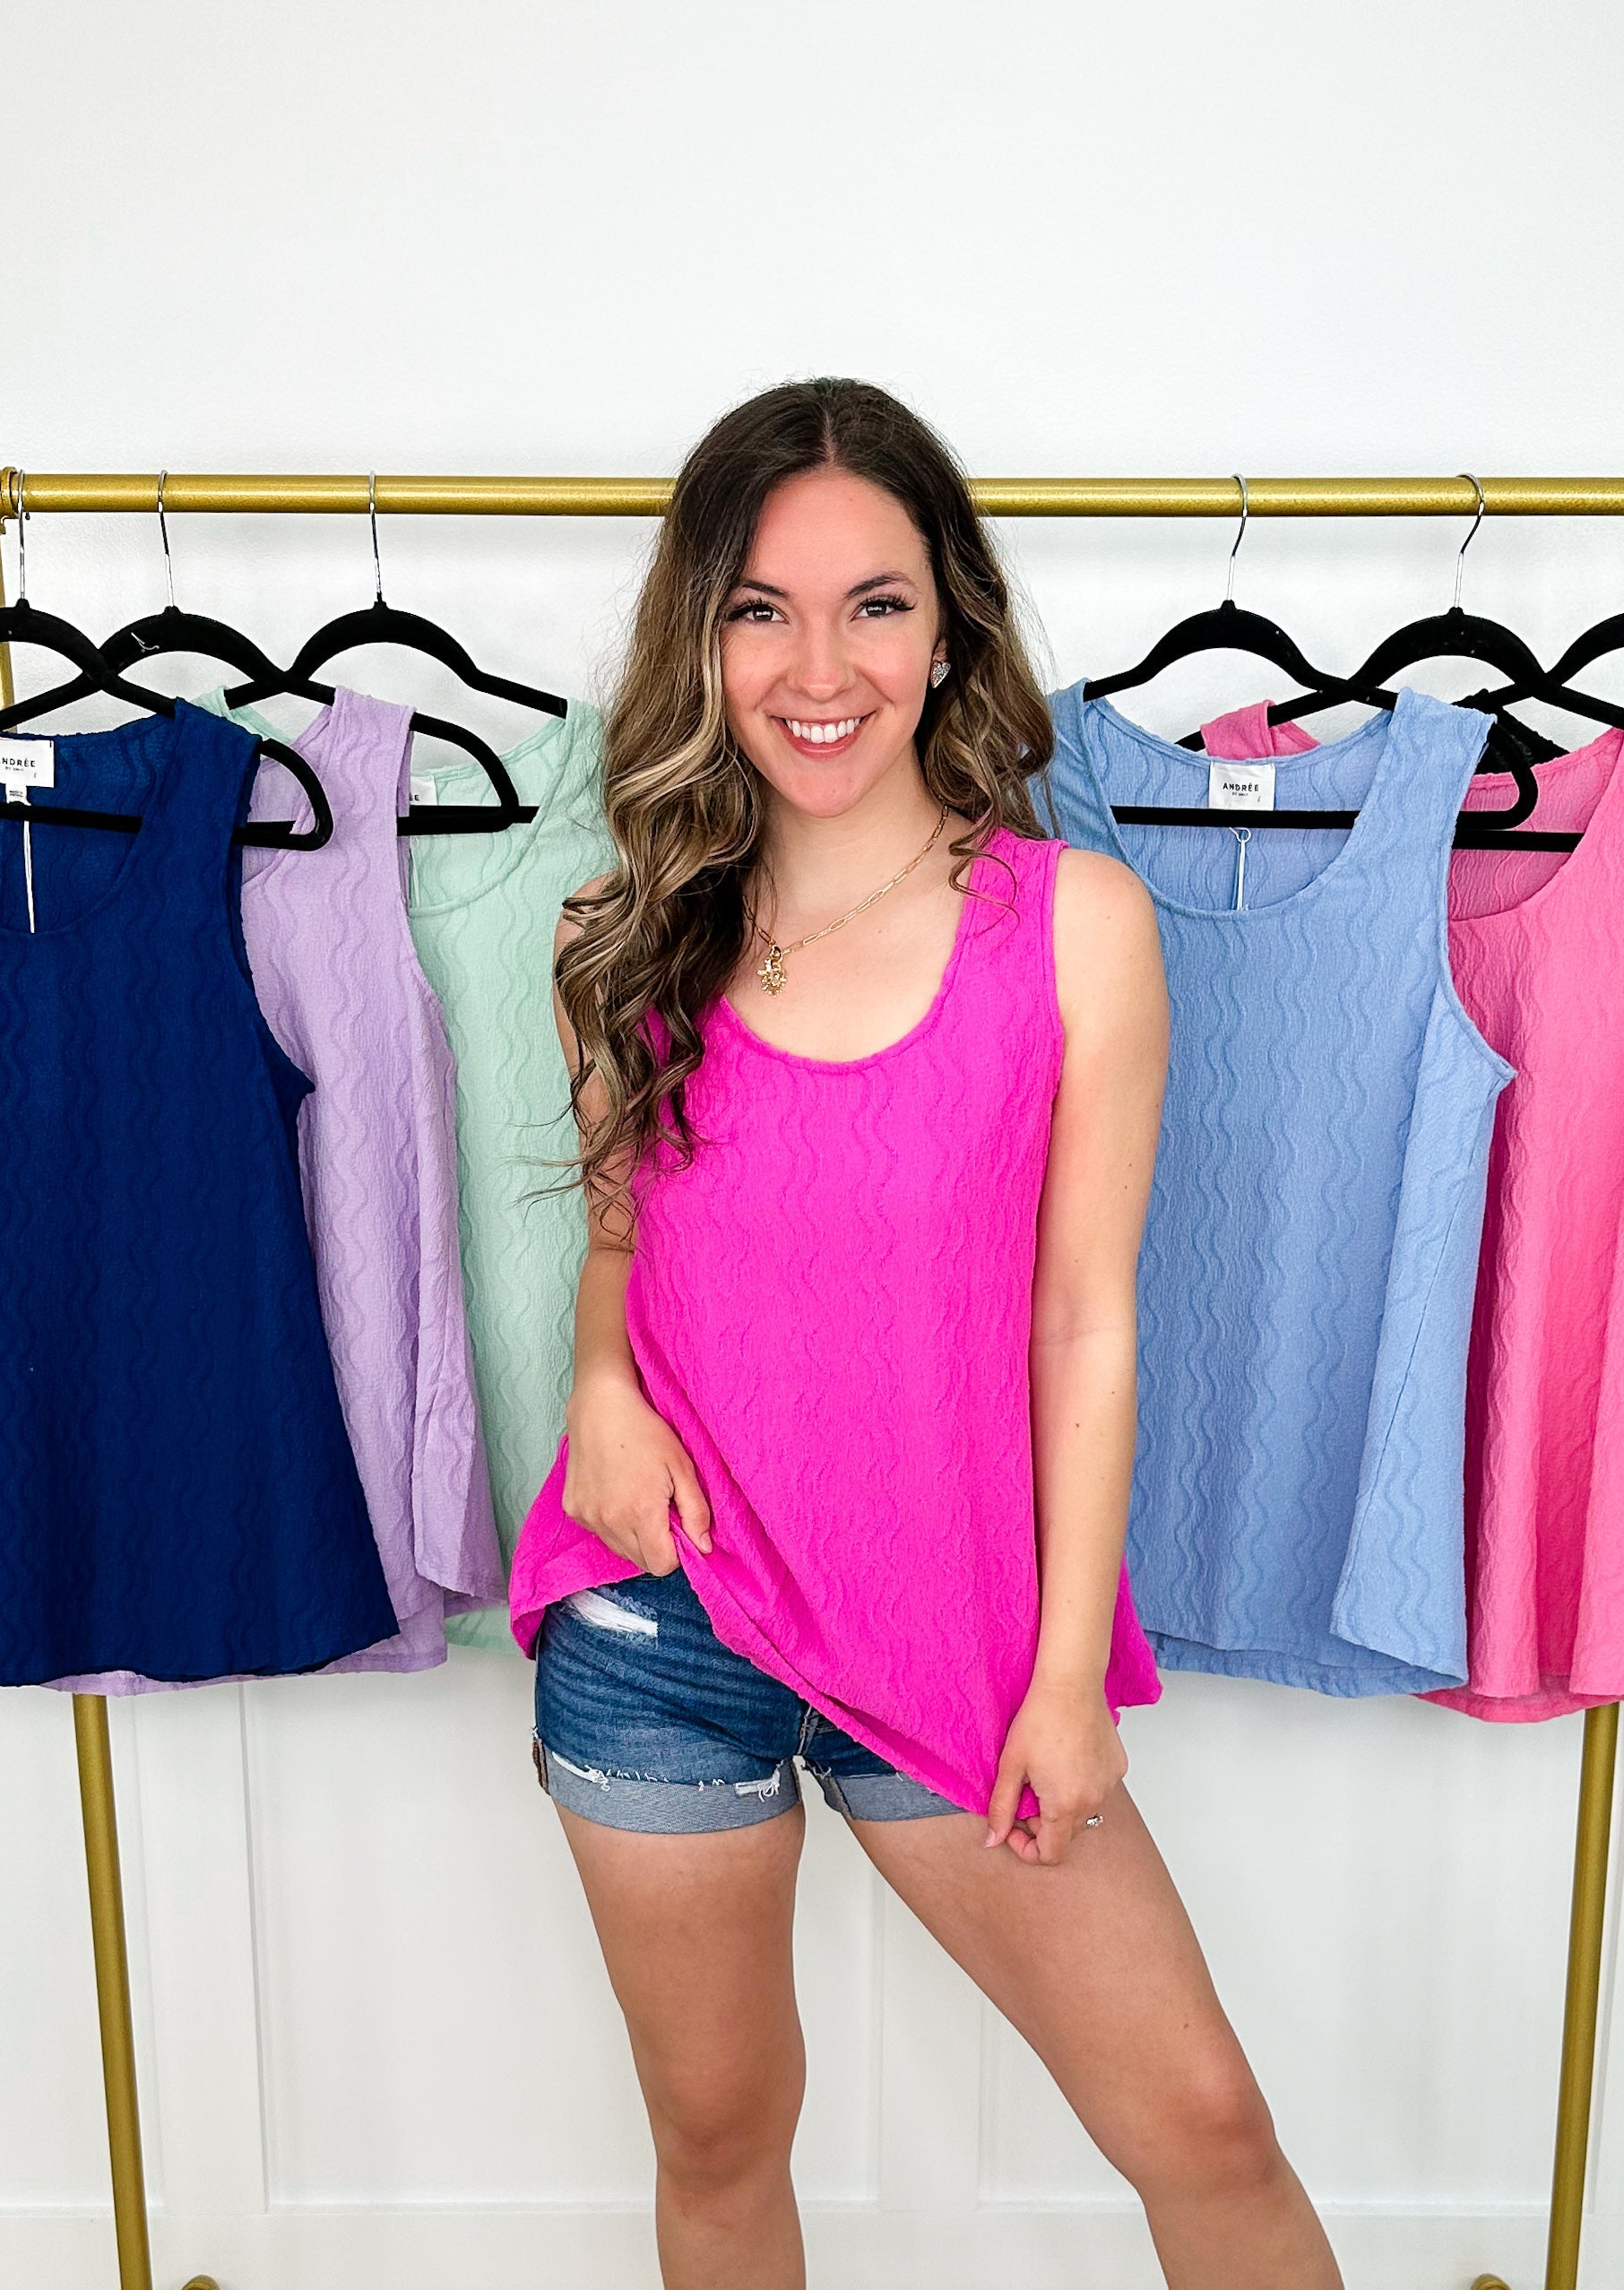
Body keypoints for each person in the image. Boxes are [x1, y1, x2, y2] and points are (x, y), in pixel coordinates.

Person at [505, 378, 1343, 2290]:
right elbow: (624, 1240)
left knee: (1204, 2127)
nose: (821, 666)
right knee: (721, 2137)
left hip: (960, 1633)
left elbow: (1084, 1322)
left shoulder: (1073, 927)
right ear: (700, 639)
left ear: (950, 623)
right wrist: (608, 1393)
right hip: (662, 1627)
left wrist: (1062, 1678)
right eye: (761, 609)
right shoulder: (622, 937)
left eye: (874, 604)